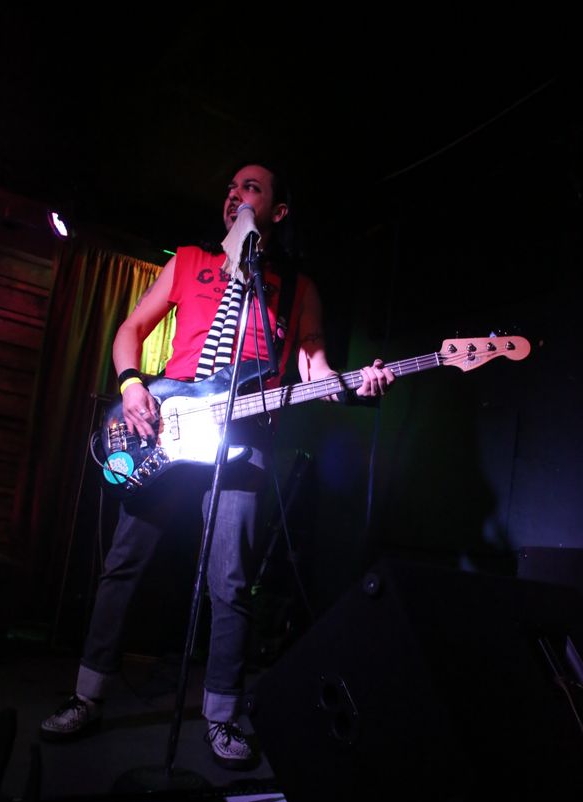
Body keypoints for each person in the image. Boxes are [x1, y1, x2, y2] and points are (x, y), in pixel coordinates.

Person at [40, 162, 394, 769]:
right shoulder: (188, 261)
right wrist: (131, 385)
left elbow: (315, 369)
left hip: (244, 439)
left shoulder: (296, 288)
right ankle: (87, 694)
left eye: (251, 188)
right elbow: (131, 329)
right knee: (123, 564)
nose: (235, 195)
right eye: (231, 188)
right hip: (169, 428)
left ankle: (222, 716)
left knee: (230, 582)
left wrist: (356, 384)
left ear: (278, 211)